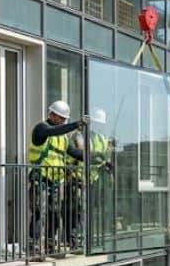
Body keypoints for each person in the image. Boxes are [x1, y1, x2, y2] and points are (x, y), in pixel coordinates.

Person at [28, 100, 87, 256]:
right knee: (39, 212)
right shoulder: (41, 129)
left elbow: (73, 153)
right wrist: (76, 124)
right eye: (60, 117)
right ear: (52, 114)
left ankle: (50, 244)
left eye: (64, 119)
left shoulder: (63, 138)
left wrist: (92, 157)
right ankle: (34, 246)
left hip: (55, 181)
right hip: (40, 178)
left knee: (54, 212)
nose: (62, 121)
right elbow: (53, 131)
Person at [66, 108, 113, 250]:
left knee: (86, 211)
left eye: (100, 124)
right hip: (76, 178)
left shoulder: (102, 139)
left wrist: (107, 162)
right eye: (96, 123)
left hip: (91, 179)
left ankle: (84, 238)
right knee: (76, 210)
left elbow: (106, 156)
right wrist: (97, 155)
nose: (98, 126)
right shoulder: (78, 135)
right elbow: (81, 149)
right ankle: (74, 240)